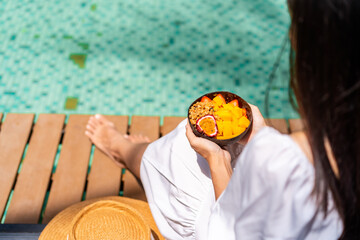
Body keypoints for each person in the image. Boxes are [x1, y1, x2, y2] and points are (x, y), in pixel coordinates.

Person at [85, 0, 360, 239]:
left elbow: (228, 233)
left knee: (180, 149)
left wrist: (218, 161)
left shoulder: (284, 162)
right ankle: (140, 157)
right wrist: (261, 138)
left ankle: (123, 150)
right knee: (234, 147)